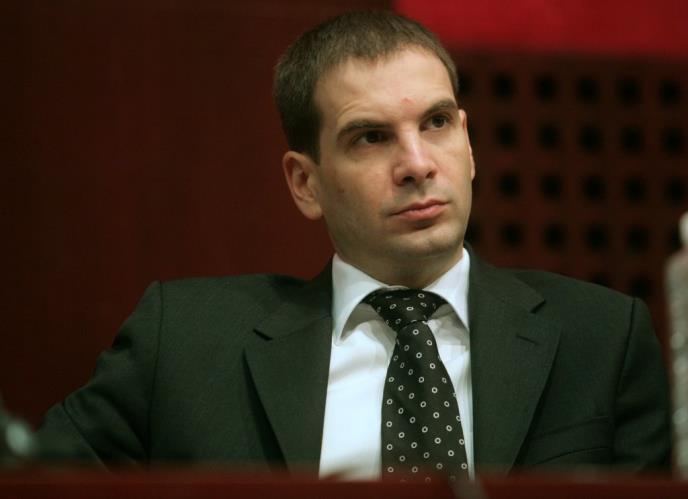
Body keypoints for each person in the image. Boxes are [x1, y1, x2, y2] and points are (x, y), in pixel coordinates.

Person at [36, 11, 671, 479]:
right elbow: (33, 481)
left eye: (436, 123)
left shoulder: (602, 338)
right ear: (305, 183)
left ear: (470, 144)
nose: (418, 164)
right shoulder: (182, 344)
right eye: (370, 137)